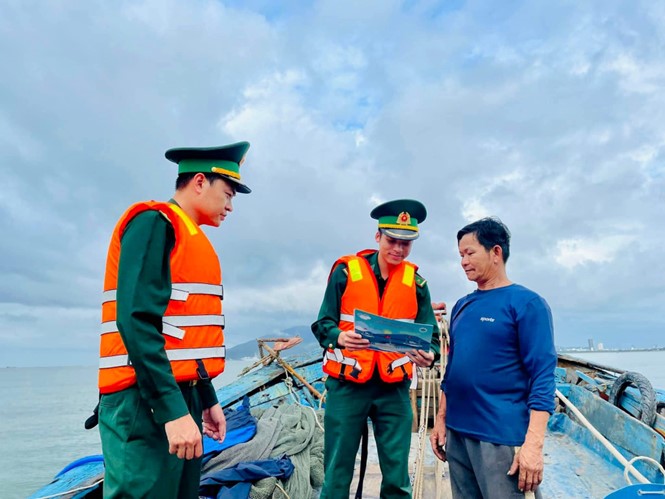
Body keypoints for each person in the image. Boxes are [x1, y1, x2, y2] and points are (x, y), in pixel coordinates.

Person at [97, 142, 252, 498]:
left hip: (180, 394)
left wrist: (207, 397)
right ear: (199, 182)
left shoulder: (192, 237)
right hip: (143, 400)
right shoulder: (154, 223)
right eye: (227, 194)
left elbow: (184, 337)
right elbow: (136, 320)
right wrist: (172, 411)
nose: (230, 206)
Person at [312, 199, 441, 499]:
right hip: (347, 387)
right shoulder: (345, 273)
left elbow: (431, 338)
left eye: (406, 244)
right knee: (336, 472)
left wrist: (429, 355)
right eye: (392, 240)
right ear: (378, 236)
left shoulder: (417, 284)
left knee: (397, 476)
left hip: (394, 391)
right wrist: (340, 338)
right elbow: (323, 324)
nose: (398, 249)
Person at [430, 217, 556, 498]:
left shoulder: (526, 303)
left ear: (496, 252)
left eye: (470, 253)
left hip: (499, 435)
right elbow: (451, 371)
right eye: (460, 255)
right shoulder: (462, 306)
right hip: (458, 432)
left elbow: (543, 375)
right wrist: (440, 420)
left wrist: (533, 444)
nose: (463, 261)